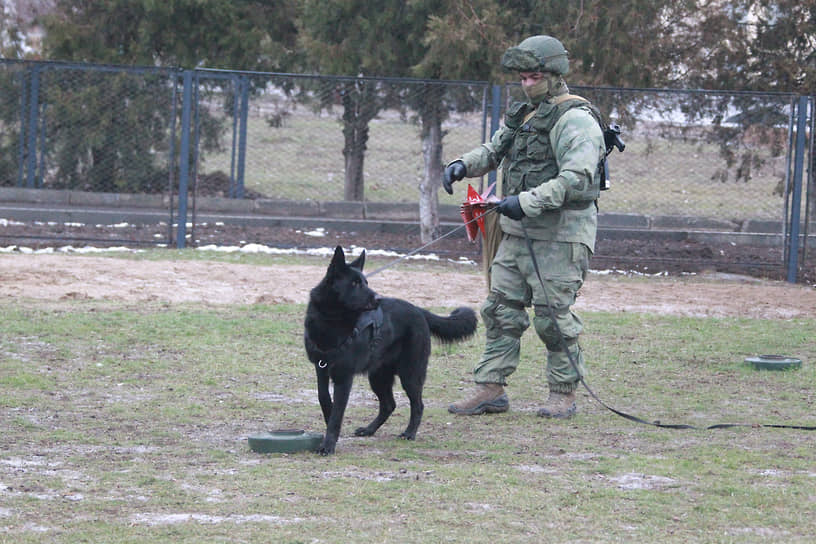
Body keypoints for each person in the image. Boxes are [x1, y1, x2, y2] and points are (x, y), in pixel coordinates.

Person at [443, 35, 605, 419]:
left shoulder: (576, 120)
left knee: (553, 318)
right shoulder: (524, 114)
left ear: (553, 75)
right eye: (522, 78)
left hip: (561, 236)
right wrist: (462, 165)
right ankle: (490, 387)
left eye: (534, 77)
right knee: (501, 310)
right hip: (517, 233)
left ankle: (563, 393)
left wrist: (525, 202)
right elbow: (494, 150)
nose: (527, 84)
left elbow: (577, 178)